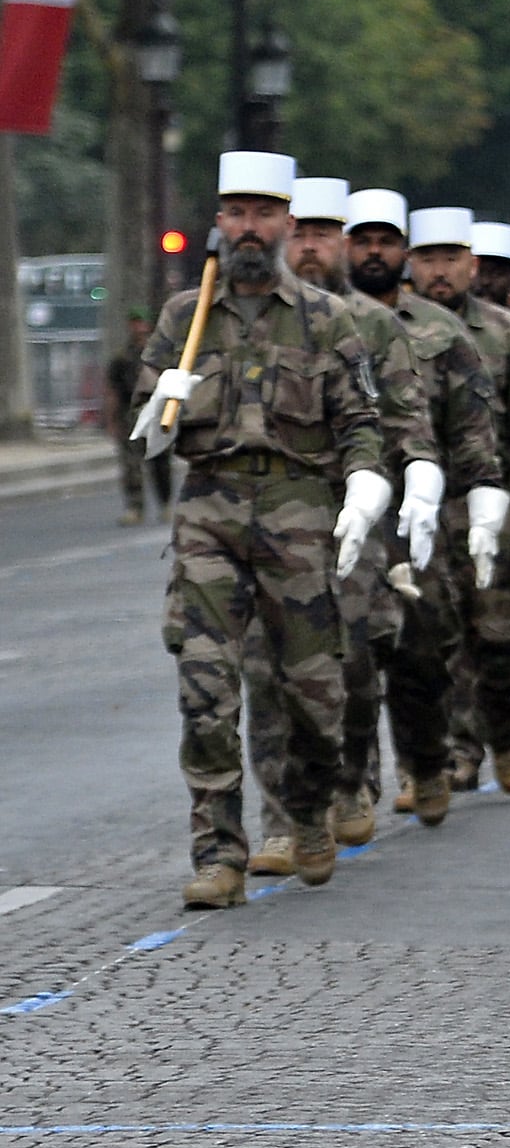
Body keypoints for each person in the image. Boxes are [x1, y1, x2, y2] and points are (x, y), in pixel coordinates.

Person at [127, 151, 390, 909]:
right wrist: (157, 401)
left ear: (285, 222)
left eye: (264, 213)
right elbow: (145, 432)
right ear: (220, 222)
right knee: (206, 686)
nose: (249, 227)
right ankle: (218, 854)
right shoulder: (186, 316)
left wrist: (366, 485)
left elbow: (361, 423)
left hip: (299, 512)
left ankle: (307, 808)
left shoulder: (323, 316)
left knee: (313, 693)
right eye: (236, 213)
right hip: (209, 510)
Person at [246, 176, 436, 866]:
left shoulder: (374, 324)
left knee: (352, 664)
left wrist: (410, 488)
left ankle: (351, 779)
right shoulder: (248, 319)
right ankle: (281, 817)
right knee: (267, 671)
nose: (312, 246)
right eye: (302, 232)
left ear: (346, 245)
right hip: (270, 524)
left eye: (327, 234)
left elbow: (407, 423)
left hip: (352, 518)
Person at [344, 188, 505, 830]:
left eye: (386, 241)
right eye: (363, 240)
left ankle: (428, 760)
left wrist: (473, 504)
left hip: (419, 511)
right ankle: (352, 782)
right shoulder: (322, 320)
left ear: (400, 253)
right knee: (347, 652)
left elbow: (470, 428)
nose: (375, 251)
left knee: (419, 652)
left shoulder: (443, 332)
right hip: (336, 511)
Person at [403, 209, 510, 798]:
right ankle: (452, 754)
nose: (440, 271)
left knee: (496, 636)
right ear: (411, 263)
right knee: (427, 635)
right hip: (414, 505)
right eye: (428, 259)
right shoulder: (385, 329)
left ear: (471, 265)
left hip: (492, 503)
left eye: (451, 259)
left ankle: (502, 730)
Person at [107, 310, 169, 523]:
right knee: (131, 465)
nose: (138, 327)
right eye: (134, 322)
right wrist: (112, 420)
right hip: (129, 415)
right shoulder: (122, 357)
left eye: (141, 322)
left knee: (160, 462)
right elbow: (113, 390)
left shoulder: (161, 354)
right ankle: (135, 507)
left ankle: (166, 503)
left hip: (156, 413)